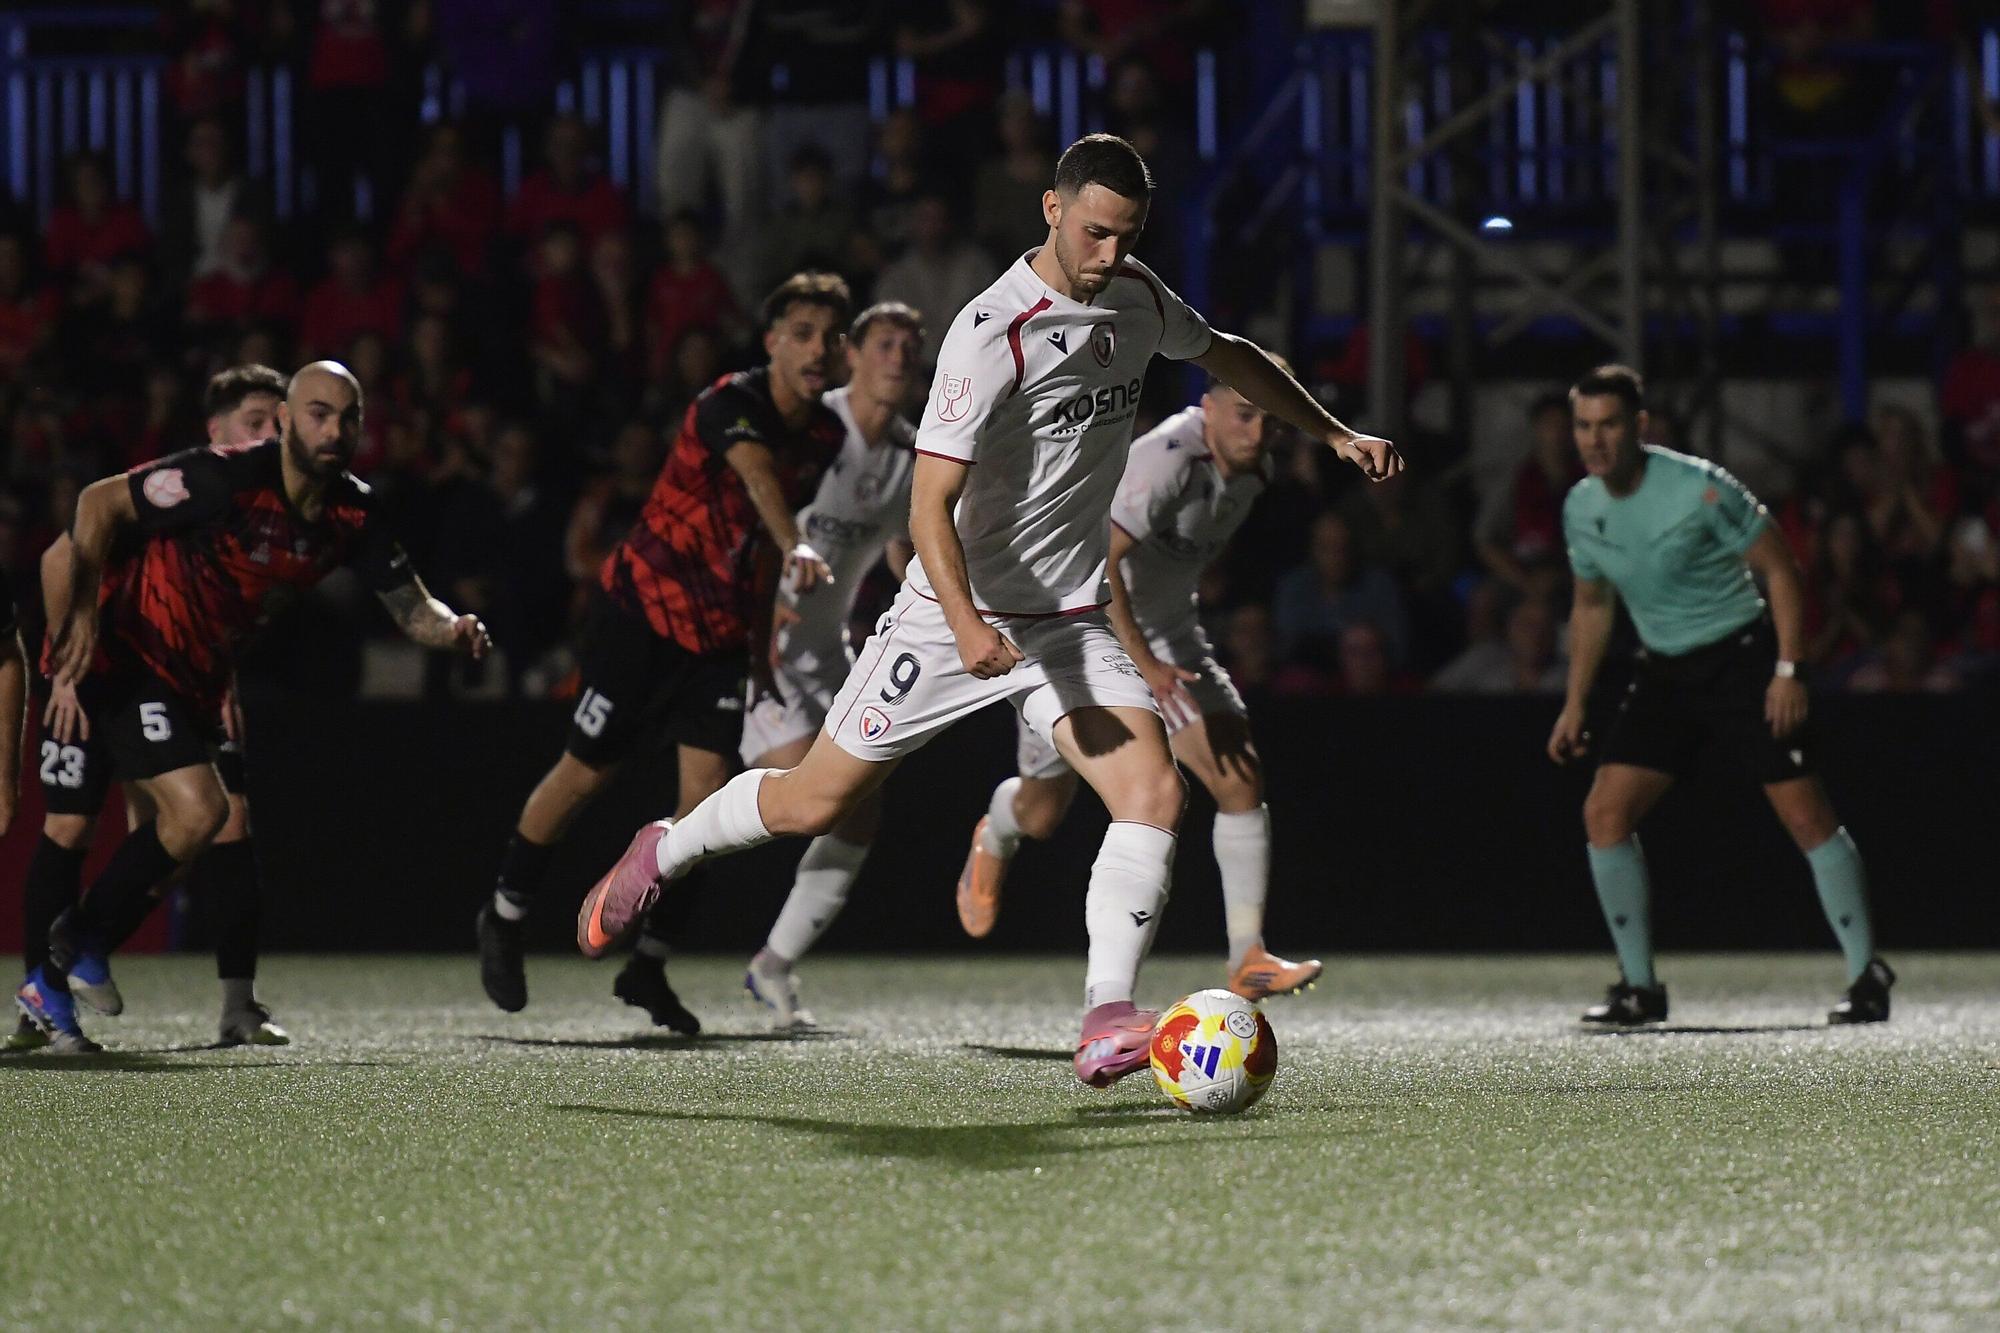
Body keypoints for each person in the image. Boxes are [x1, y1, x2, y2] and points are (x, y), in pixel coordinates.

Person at [574, 135, 1399, 1088]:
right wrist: (965, 624)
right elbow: (928, 508)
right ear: (1050, 209)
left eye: (1126, 238)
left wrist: (1333, 432)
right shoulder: (988, 332)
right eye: (1094, 233)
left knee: (1154, 791)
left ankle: (1104, 1018)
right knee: (815, 801)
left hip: (1068, 619)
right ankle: (662, 849)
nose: (1108, 256)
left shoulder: (1135, 295)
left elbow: (1230, 355)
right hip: (947, 615)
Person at [15, 362, 491, 1053]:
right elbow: (96, 503)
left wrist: (452, 628)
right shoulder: (224, 477)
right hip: (130, 656)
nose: (334, 430)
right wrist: (79, 621)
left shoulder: (353, 511)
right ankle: (59, 971)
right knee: (173, 814)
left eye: (348, 418)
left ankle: (68, 962)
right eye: (319, 413)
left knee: (196, 823)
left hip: (198, 679)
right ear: (292, 419)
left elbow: (411, 605)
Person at [475, 273, 852, 1031]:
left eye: (829, 336)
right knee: (586, 772)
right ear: (772, 340)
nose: (818, 349)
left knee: (703, 807)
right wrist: (796, 539)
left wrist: (755, 649)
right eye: (802, 332)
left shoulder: (825, 436)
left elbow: (766, 546)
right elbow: (757, 485)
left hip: (717, 639)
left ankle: (647, 965)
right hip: (640, 613)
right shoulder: (727, 404)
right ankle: (506, 913)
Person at [953, 373, 1326, 1004]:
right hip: (1083, 629)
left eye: (1272, 421)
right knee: (1043, 813)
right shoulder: (1168, 459)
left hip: (1171, 637)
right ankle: (996, 831)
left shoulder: (1257, 471)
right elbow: (1103, 559)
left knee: (1239, 778)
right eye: (1243, 413)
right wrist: (1144, 661)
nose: (1257, 431)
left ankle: (1248, 956)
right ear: (1207, 406)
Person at [1548, 365, 1894, 1026]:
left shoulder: (1699, 488)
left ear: (1638, 427)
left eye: (1610, 424)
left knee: (1806, 816)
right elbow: (1591, 604)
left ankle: (1866, 971)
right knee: (1605, 815)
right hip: (1664, 672)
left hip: (1741, 658)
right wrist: (1575, 703)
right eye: (1584, 426)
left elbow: (1781, 568)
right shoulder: (1580, 507)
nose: (1595, 439)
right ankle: (1640, 988)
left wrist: (1788, 669)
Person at [22, 366, 292, 1052]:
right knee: (71, 826)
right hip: (101, 682)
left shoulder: (254, 507)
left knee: (210, 826)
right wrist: (64, 670)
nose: (273, 436)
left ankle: (237, 1004)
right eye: (258, 422)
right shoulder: (182, 487)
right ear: (217, 432)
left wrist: (219, 681)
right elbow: (60, 561)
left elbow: (211, 611)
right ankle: (43, 1005)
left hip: (175, 687)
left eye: (280, 423)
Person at [739, 302, 923, 1027]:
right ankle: (651, 902)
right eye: (885, 344)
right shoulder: (815, 430)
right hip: (760, 643)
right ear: (853, 355)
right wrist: (757, 599)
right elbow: (752, 515)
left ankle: (773, 965)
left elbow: (910, 549)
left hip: (826, 650)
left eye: (911, 348)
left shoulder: (911, 454)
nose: (899, 358)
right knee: (799, 792)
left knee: (855, 805)